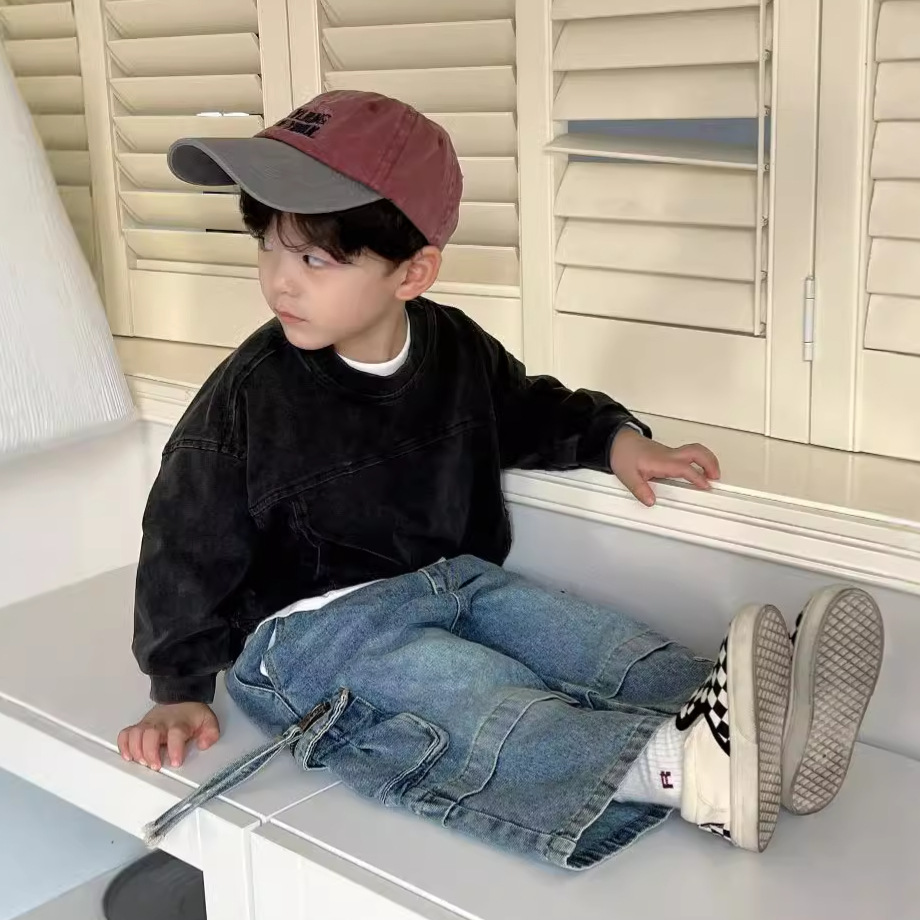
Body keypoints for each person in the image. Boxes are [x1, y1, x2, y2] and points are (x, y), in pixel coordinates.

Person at [118, 91, 884, 867]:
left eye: (313, 258)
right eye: (268, 246)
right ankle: (675, 770)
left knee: (579, 636)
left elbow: (526, 407)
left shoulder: (453, 347)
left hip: (457, 581)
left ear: (413, 272)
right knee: (466, 693)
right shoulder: (250, 395)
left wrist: (613, 441)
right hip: (315, 633)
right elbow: (186, 534)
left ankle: (743, 713)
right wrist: (179, 686)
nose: (280, 282)